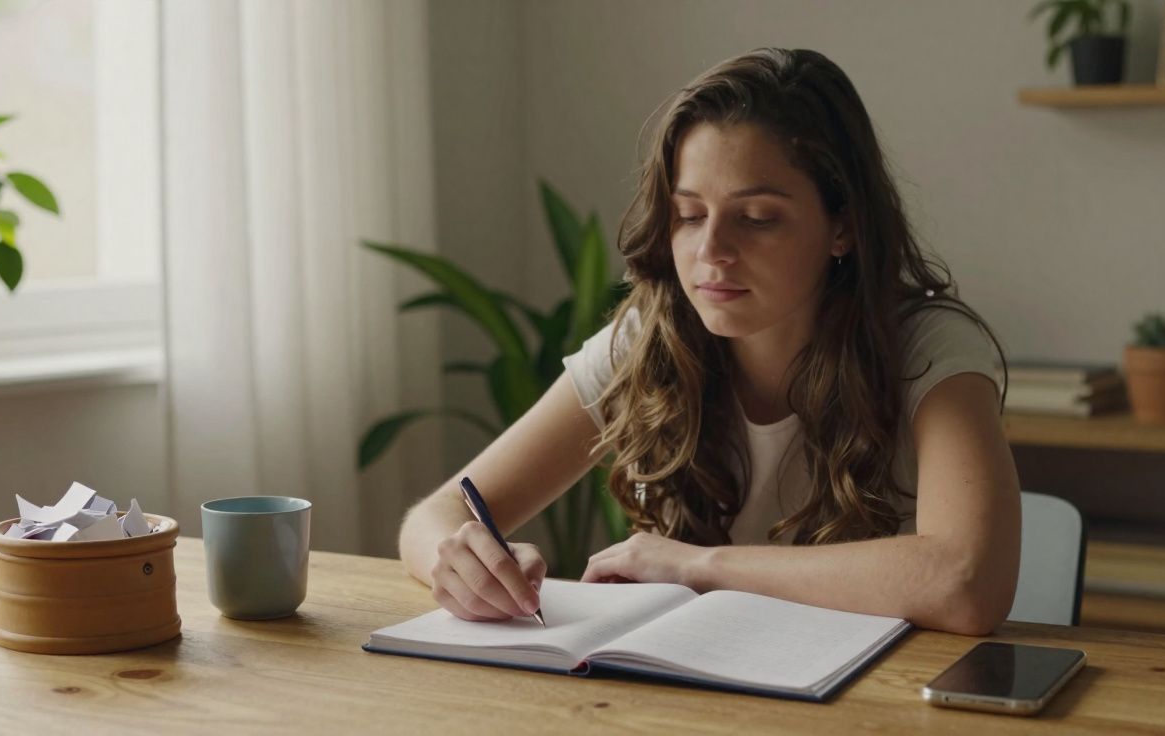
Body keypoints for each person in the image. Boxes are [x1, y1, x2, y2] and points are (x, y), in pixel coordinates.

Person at [398, 48, 1020, 636]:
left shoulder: (929, 346)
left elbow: (967, 582)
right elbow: (434, 517)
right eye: (689, 215)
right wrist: (462, 561)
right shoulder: (649, 340)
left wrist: (700, 566)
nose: (711, 250)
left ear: (843, 227)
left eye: (756, 218)